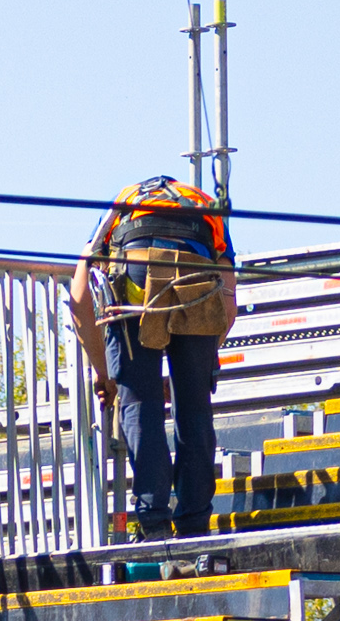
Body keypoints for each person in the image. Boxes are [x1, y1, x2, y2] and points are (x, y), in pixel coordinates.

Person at [76, 170, 232, 545]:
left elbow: (80, 294)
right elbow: (228, 303)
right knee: (194, 407)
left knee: (139, 404)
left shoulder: (121, 206)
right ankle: (195, 524)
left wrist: (107, 373)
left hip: (133, 269)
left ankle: (154, 524)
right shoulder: (203, 207)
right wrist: (197, 361)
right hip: (196, 272)